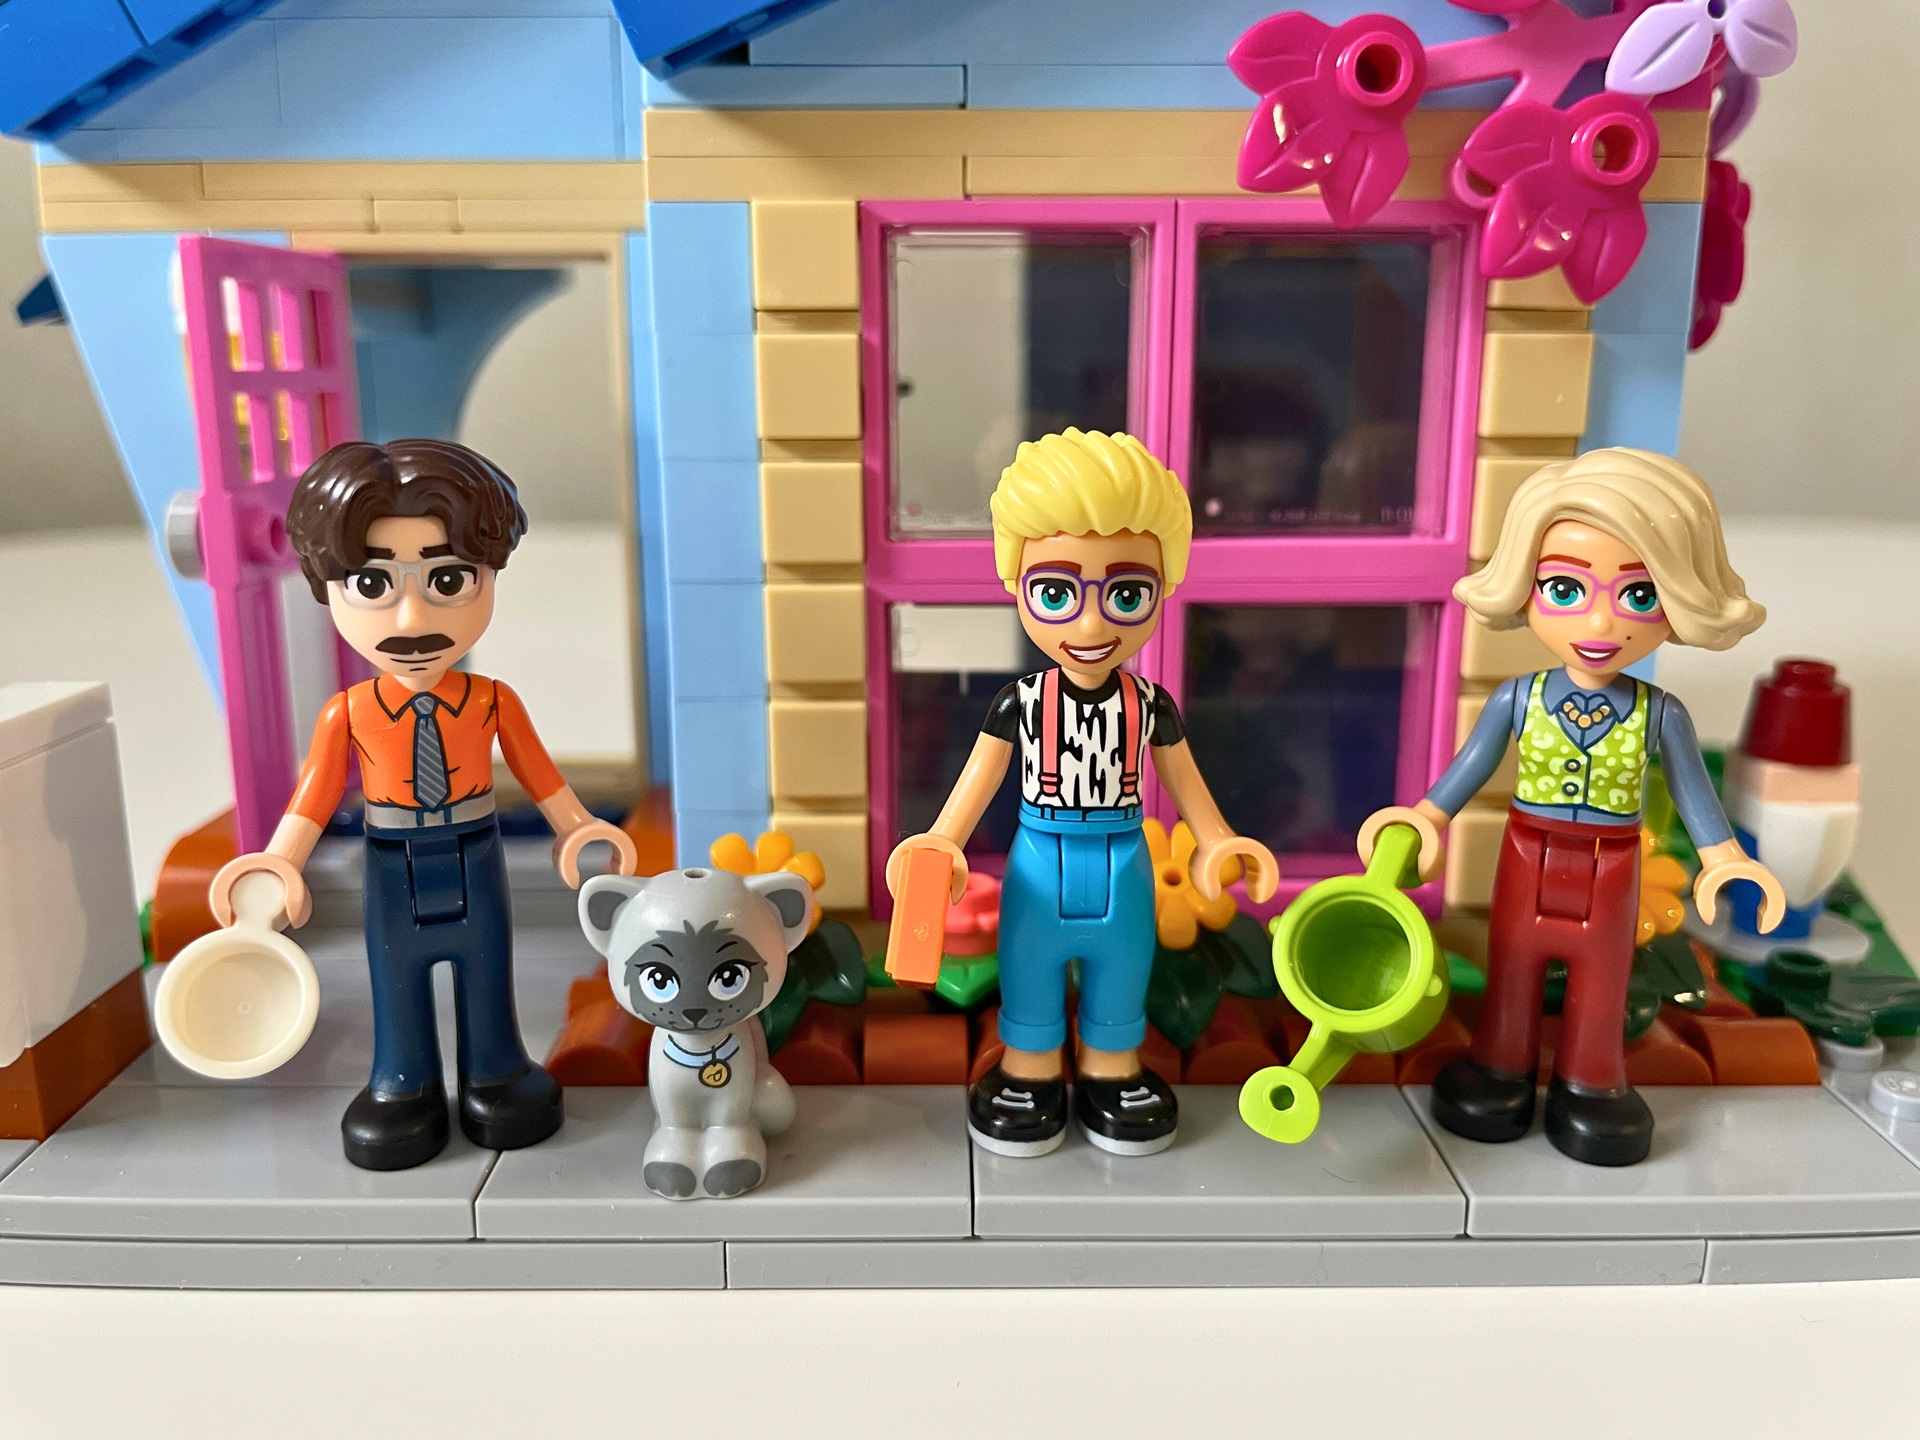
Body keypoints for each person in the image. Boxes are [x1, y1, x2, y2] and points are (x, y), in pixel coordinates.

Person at [208, 439, 637, 1171]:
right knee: (394, 975)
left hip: (477, 854)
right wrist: (279, 862)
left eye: (447, 579)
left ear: (489, 574)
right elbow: (315, 794)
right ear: (326, 587)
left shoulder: (493, 701)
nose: (411, 617)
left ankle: (496, 1071)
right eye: (373, 584)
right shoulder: (348, 712)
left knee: (488, 967)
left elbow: (540, 777)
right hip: (391, 865)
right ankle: (402, 1083)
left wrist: (577, 828)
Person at [1359, 447, 1784, 1166]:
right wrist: (1426, 817)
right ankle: (1501, 1066)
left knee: (1603, 976)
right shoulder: (1518, 698)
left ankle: (1591, 1082)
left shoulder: (1660, 714)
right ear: (1524, 583)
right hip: (1527, 854)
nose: (1601, 622)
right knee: (1512, 964)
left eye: (1639, 596)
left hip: (1613, 866)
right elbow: (1469, 768)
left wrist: (1723, 859)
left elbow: (1693, 790)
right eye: (1565, 588)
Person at [888, 429, 1278, 1157]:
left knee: (1123, 965)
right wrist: (941, 841)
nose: (1091, 624)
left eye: (1126, 594)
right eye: (1057, 593)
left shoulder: (1151, 706)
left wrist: (1219, 842)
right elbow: (977, 782)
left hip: (1124, 857)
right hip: (1040, 857)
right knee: (1029, 962)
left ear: (1163, 588)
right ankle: (1030, 1068)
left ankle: (1110, 1068)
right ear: (1017, 584)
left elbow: (1187, 784)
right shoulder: (1019, 703)